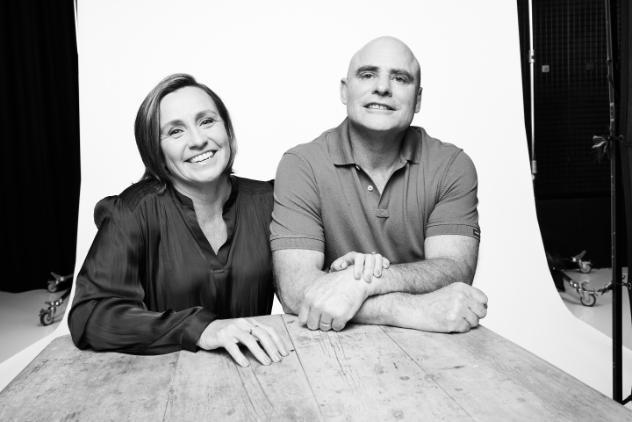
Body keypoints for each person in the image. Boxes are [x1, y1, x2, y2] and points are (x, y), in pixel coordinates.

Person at [68, 74, 290, 367]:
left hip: (260, 368)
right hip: (168, 382)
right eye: (175, 132)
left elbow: (311, 278)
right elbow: (90, 314)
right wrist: (200, 328)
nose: (198, 140)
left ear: (228, 130)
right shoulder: (133, 211)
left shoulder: (269, 200)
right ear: (154, 150)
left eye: (207, 121)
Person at [271, 36, 488, 333]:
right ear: (345, 91)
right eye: (368, 74)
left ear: (419, 99)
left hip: (432, 348)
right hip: (331, 345)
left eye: (400, 78)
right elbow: (296, 291)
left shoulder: (451, 166)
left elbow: (455, 269)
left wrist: (357, 283)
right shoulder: (302, 164)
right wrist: (405, 308)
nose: (383, 88)